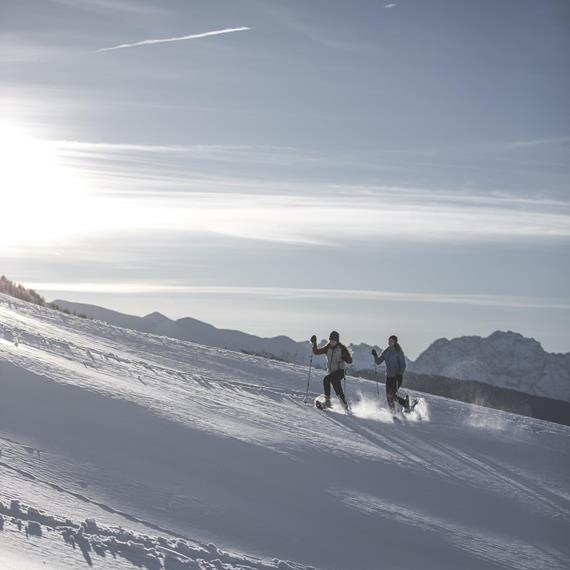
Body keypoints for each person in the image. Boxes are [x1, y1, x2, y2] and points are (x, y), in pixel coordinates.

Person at [310, 330, 352, 410]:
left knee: (326, 379)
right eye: (331, 340)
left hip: (340, 371)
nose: (332, 342)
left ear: (337, 341)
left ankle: (327, 401)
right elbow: (316, 352)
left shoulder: (341, 348)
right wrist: (314, 343)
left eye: (334, 341)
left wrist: (345, 358)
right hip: (332, 372)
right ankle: (345, 406)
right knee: (337, 388)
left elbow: (350, 360)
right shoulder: (327, 347)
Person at [371, 334, 411, 414]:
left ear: (395, 342)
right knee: (389, 397)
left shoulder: (398, 352)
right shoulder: (386, 351)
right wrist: (375, 356)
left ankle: (401, 406)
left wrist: (399, 374)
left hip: (397, 377)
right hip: (388, 377)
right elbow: (378, 362)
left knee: (391, 395)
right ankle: (394, 412)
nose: (389, 342)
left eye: (391, 341)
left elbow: (403, 365)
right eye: (389, 341)